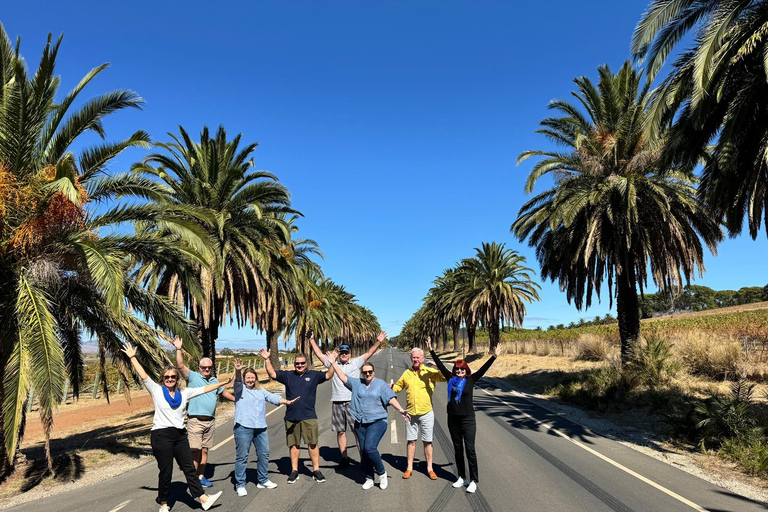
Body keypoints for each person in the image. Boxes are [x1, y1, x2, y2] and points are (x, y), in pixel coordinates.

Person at [122, 342, 229, 512]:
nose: (170, 379)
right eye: (167, 377)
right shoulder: (156, 390)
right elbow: (143, 375)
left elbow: (205, 389)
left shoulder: (185, 393)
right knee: (166, 470)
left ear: (177, 379)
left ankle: (203, 498)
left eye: (173, 377)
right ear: (163, 379)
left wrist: (222, 383)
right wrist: (133, 357)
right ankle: (164, 503)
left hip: (180, 435)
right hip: (161, 435)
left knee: (188, 468)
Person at [326, 350, 410, 490]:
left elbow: (391, 398)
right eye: (365, 372)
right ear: (362, 373)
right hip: (360, 422)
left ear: (374, 372)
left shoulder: (381, 384)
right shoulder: (357, 383)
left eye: (370, 371)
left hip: (377, 421)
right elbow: (342, 377)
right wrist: (333, 363)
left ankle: (382, 473)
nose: (368, 374)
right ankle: (369, 477)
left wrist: (401, 410)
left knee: (370, 448)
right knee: (364, 451)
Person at [427, 337, 500, 494]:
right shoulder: (451, 379)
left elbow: (483, 369)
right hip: (452, 419)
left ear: (466, 370)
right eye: (457, 370)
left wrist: (494, 356)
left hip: (468, 420)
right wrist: (431, 350)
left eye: (462, 369)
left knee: (470, 449)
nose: (459, 372)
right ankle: (461, 477)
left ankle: (473, 480)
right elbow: (440, 364)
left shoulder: (471, 380)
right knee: (458, 449)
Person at [310, 330, 386, 468]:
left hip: (353, 402)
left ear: (349, 354)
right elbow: (319, 354)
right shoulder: (333, 363)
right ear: (339, 354)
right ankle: (344, 458)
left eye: (346, 352)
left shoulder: (355, 363)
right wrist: (311, 340)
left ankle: (364, 457)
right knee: (340, 431)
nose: (344, 354)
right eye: (342, 352)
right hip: (337, 402)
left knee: (357, 431)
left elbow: (369, 353)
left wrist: (379, 341)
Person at [259, 348, 334, 484]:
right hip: (291, 417)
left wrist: (333, 363)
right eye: (297, 363)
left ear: (306, 363)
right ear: (294, 364)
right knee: (294, 445)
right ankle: (294, 471)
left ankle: (316, 470)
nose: (300, 366)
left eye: (302, 363)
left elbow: (328, 375)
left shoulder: (314, 375)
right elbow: (272, 373)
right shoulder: (288, 376)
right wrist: (267, 359)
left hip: (309, 416)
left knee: (312, 444)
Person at [173, 336, 235, 488]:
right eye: (204, 368)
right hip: (195, 421)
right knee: (195, 451)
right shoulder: (193, 377)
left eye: (209, 368)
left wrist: (237, 399)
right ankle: (193, 480)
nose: (207, 370)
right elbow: (180, 366)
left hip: (210, 421)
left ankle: (201, 476)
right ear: (199, 368)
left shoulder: (214, 381)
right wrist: (178, 349)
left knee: (205, 451)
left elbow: (223, 392)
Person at [232, 358, 298, 496]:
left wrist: (287, 401)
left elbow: (273, 397)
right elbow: (237, 382)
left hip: (260, 427)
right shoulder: (240, 389)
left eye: (252, 378)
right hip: (243, 427)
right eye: (247, 378)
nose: (250, 380)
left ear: (256, 379)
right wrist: (238, 371)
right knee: (242, 457)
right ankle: (240, 484)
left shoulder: (260, 390)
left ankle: (262, 480)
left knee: (264, 454)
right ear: (244, 379)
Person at [391, 346, 445, 480]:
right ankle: (409, 468)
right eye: (413, 357)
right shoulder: (406, 373)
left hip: (426, 412)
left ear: (422, 358)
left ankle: (430, 468)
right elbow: (399, 386)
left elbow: (444, 377)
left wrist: (437, 365)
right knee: (411, 441)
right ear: (411, 359)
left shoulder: (430, 372)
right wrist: (392, 387)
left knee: (427, 441)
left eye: (418, 357)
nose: (415, 359)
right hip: (410, 413)